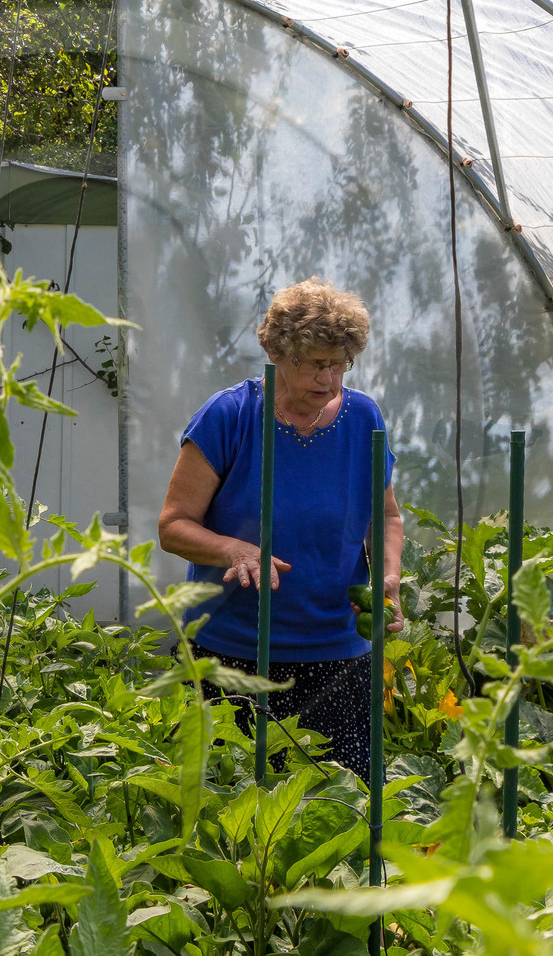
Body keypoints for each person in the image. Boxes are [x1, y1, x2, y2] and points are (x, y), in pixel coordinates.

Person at [157, 277, 404, 777]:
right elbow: (174, 525)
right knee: (234, 807)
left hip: (339, 655)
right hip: (233, 653)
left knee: (342, 805)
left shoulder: (363, 418)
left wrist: (389, 578)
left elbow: (387, 517)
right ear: (275, 351)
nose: (329, 379)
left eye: (340, 364)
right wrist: (233, 550)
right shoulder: (230, 417)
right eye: (315, 364)